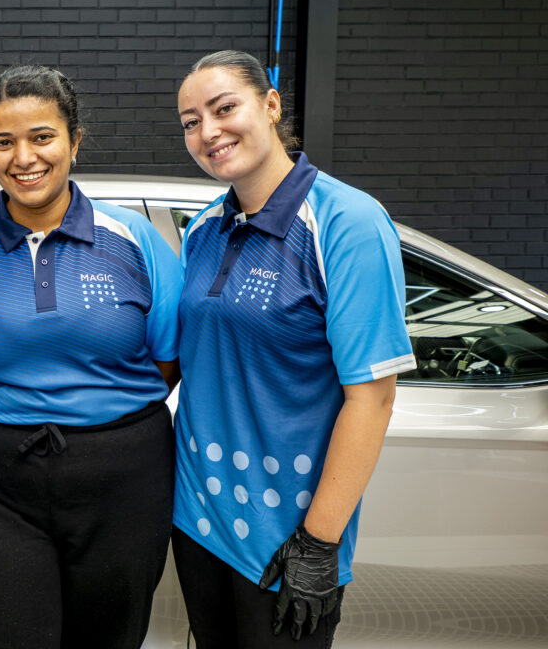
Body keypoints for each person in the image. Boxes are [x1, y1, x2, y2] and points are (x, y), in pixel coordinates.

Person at [0, 64, 183, 649]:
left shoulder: (134, 240)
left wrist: (98, 424)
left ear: (74, 140)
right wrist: (20, 420)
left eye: (42, 136)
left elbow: (168, 360)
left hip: (125, 482)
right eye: (3, 142)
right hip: (1, 486)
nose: (24, 157)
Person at [171, 50, 416, 647]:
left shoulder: (348, 222)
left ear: (272, 105)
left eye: (224, 108)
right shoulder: (206, 227)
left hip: (287, 536)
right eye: (190, 121)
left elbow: (374, 397)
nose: (209, 132)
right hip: (198, 521)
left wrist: (319, 542)